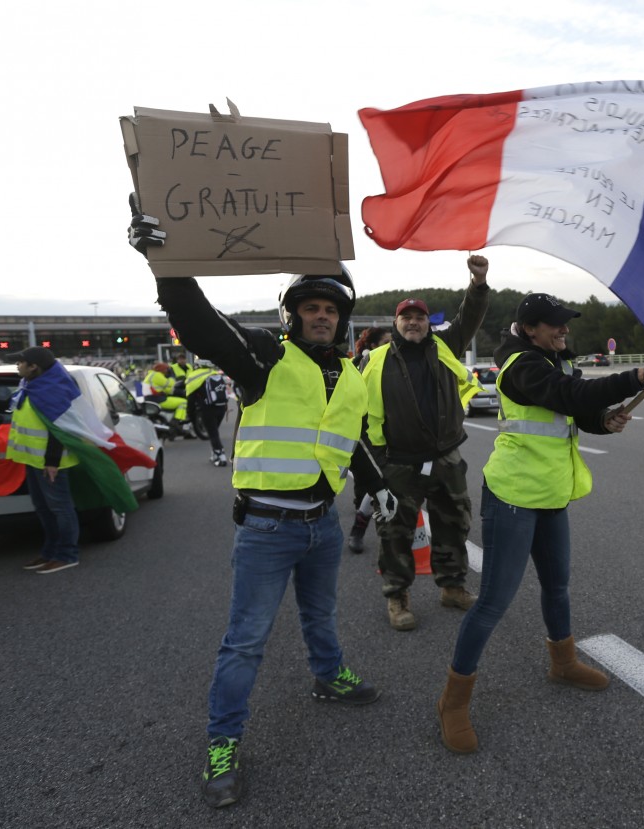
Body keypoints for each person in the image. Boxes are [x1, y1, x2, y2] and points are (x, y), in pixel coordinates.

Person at [128, 205, 388, 809]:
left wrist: (375, 483)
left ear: (343, 318)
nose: (321, 316)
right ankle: (223, 742)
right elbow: (201, 327)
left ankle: (327, 676)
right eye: (310, 307)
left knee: (321, 615)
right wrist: (165, 262)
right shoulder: (266, 357)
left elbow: (349, 438)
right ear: (291, 315)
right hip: (268, 528)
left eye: (331, 309)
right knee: (245, 642)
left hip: (322, 526)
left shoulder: (349, 374)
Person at [436, 293, 644, 754]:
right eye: (554, 324)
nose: (564, 329)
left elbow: (579, 411)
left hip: (550, 493)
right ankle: (453, 699)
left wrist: (604, 421)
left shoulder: (557, 362)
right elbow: (568, 395)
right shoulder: (520, 366)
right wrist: (639, 375)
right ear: (530, 329)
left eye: (565, 322)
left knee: (557, 586)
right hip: (513, 494)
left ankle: (562, 663)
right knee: (493, 602)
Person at [359, 258, 490, 630]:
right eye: (407, 317)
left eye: (420, 317)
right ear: (396, 323)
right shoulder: (374, 360)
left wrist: (478, 283)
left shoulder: (443, 346)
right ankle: (397, 596)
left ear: (428, 322)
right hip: (399, 462)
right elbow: (361, 416)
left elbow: (469, 318)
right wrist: (378, 465)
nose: (414, 322)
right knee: (394, 533)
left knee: (455, 524)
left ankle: (452, 587)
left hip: (446, 457)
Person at [4, 346, 153, 574]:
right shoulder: (28, 387)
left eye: (21, 362)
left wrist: (52, 462)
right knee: (43, 508)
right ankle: (50, 551)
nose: (17, 365)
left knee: (60, 508)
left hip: (51, 463)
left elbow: (61, 429)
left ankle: (67, 554)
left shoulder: (51, 390)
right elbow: (6, 406)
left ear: (34, 367)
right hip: (32, 460)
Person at [345, 326, 393, 552]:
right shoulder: (358, 364)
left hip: (388, 434)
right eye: (386, 342)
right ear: (372, 345)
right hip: (365, 434)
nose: (391, 346)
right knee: (374, 484)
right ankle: (359, 529)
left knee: (383, 484)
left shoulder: (394, 362)